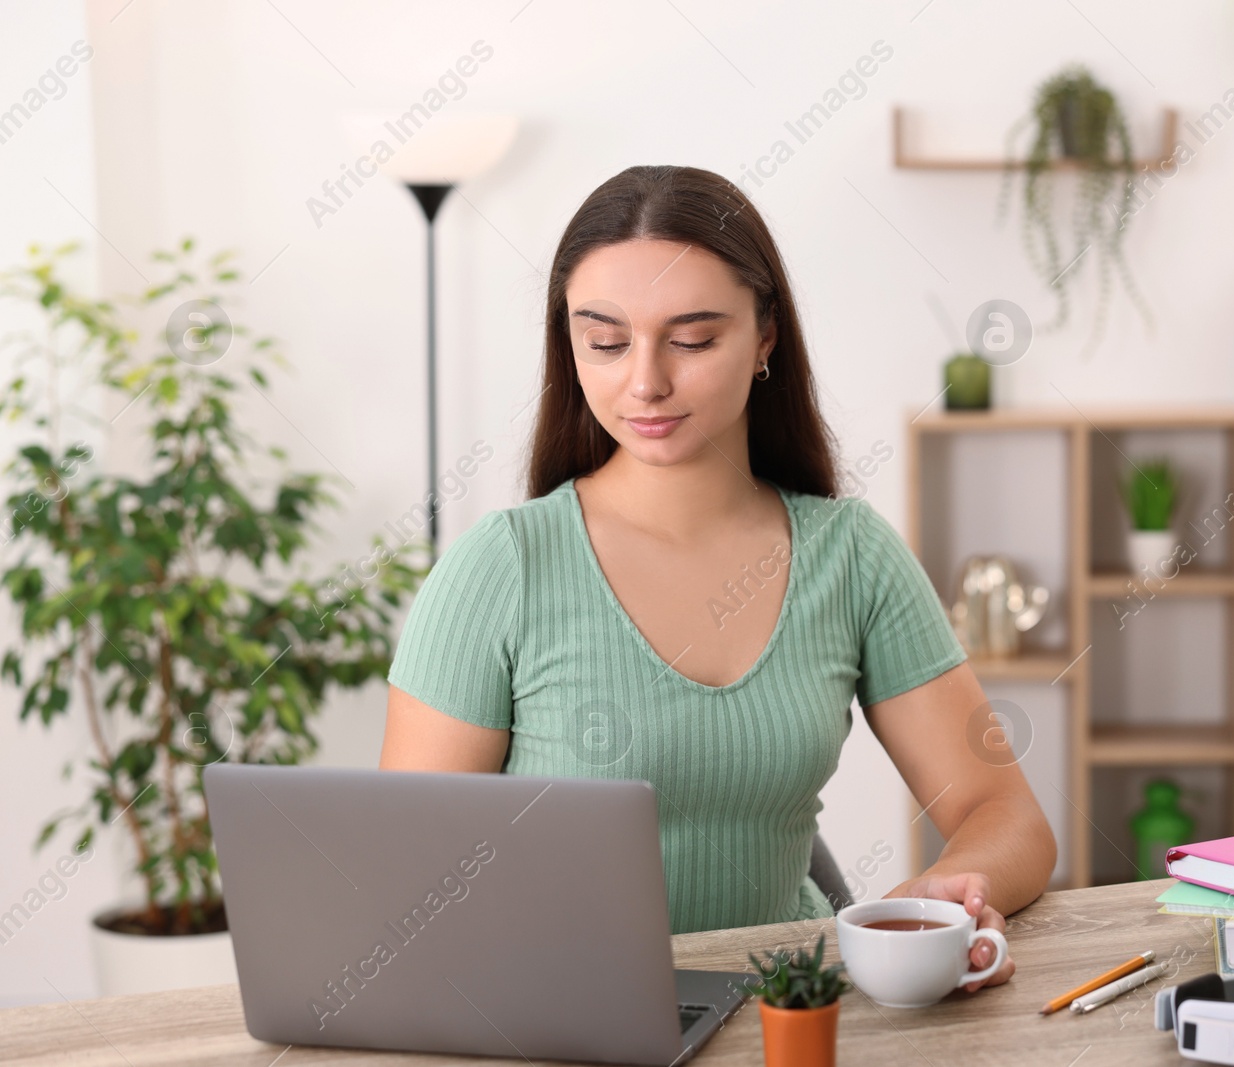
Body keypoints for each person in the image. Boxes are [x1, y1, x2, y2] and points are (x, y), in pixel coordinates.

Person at [379, 164, 1055, 991]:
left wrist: (944, 890)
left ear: (766, 336)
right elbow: (409, 886)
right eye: (605, 340)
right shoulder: (502, 569)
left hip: (788, 1011)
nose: (645, 381)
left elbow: (1007, 814)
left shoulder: (850, 556)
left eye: (693, 339)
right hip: (566, 1017)